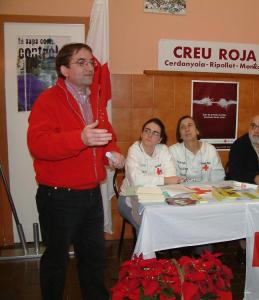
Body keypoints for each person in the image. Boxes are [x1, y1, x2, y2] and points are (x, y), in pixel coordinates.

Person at [27, 43, 125, 300]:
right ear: (64, 69)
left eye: (91, 62)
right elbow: (38, 145)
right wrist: (79, 139)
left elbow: (105, 136)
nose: (90, 67)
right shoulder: (48, 100)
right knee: (57, 262)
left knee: (94, 259)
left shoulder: (95, 97)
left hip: (91, 194)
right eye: (81, 62)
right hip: (59, 197)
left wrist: (112, 152)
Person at [118, 118, 182, 229]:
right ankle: (145, 246)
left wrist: (147, 180)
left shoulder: (163, 150)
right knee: (146, 225)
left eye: (155, 133)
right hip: (129, 194)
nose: (150, 135)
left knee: (170, 219)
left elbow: (171, 175)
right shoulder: (134, 150)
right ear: (141, 134)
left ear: (160, 139)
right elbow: (136, 181)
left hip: (157, 195)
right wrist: (164, 180)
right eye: (147, 131)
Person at [169, 115, 225, 183]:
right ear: (180, 135)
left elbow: (218, 177)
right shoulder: (173, 151)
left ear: (197, 131)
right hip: (183, 191)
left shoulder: (210, 150)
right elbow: (172, 177)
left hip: (208, 191)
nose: (187, 129)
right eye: (182, 127)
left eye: (190, 125)